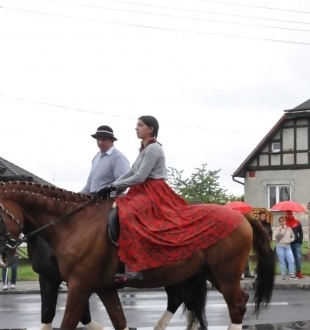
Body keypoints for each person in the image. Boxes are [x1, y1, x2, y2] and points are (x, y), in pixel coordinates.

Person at [102, 115, 240, 283]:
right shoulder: (144, 149)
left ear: (150, 129)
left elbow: (140, 176)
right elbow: (130, 173)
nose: (136, 128)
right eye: (137, 125)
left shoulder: (154, 149)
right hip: (140, 190)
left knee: (129, 215)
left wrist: (115, 187)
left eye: (140, 125)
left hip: (152, 191)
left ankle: (135, 268)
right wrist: (111, 186)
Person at [80, 125, 130, 195]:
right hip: (94, 199)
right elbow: (89, 183)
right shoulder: (96, 157)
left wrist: (109, 195)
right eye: (98, 139)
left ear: (112, 141)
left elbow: (124, 183)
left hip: (108, 201)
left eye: (103, 140)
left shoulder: (118, 158)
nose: (100, 142)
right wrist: (78, 196)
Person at [273, 215, 297, 279]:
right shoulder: (277, 229)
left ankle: (291, 274)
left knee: (291, 260)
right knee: (282, 261)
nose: (282, 222)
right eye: (281, 221)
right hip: (280, 246)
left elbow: (293, 236)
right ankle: (283, 274)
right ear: (279, 222)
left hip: (288, 246)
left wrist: (290, 240)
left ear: (285, 221)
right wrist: (280, 232)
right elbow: (276, 238)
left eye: (283, 221)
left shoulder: (289, 229)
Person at [285, 211, 305, 279]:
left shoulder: (297, 222)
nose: (289, 215)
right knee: (288, 259)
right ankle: (291, 272)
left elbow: (301, 232)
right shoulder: (284, 223)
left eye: (290, 214)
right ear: (286, 214)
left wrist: (300, 241)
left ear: (292, 214)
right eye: (288, 214)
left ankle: (298, 272)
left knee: (298, 258)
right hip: (287, 244)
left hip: (296, 243)